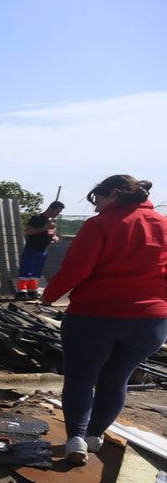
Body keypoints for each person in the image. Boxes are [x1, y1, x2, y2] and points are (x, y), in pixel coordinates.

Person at [41, 175, 167, 466]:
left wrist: (50, 296)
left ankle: (76, 439)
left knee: (81, 378)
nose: (96, 209)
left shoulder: (100, 225)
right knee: (117, 378)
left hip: (94, 316)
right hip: (150, 323)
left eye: (98, 201)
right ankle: (95, 435)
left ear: (113, 194)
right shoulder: (163, 225)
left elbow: (76, 269)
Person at [15, 201, 64, 299]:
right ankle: (21, 291)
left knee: (36, 272)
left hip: (43, 250)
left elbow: (52, 234)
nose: (58, 214)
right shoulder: (36, 218)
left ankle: (32, 290)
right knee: (26, 270)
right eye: (57, 211)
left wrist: (55, 238)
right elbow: (28, 231)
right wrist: (43, 228)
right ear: (51, 209)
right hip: (31, 249)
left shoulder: (52, 222)